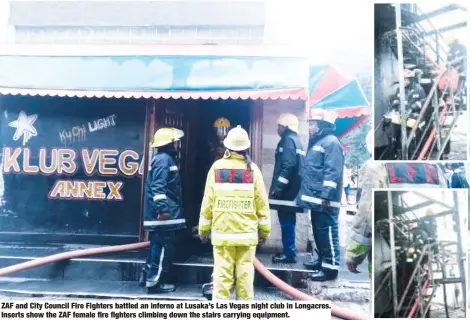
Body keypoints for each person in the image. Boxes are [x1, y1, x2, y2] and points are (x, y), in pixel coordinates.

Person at [346, 130, 449, 277]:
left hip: (385, 244)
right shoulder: (434, 168)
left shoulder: (375, 167)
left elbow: (366, 213)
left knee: (380, 285)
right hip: (410, 246)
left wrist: (354, 253)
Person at [198, 125, 271, 300]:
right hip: (246, 236)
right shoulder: (253, 170)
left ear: (227, 146)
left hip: (223, 235)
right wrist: (265, 231)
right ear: (246, 147)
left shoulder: (216, 168)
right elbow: (262, 203)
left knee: (222, 277)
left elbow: (207, 202)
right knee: (245, 277)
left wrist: (203, 230)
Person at [296, 109, 344, 281]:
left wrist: (326, 195)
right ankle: (323, 261)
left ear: (322, 125)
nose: (309, 127)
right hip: (317, 199)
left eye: (312, 124)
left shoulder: (331, 143)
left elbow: (333, 172)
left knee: (328, 232)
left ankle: (331, 268)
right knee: (319, 232)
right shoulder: (320, 142)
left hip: (326, 201)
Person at [139, 127, 186, 293]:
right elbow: (159, 187)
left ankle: (147, 276)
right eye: (175, 141)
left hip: (163, 214)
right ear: (169, 143)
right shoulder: (163, 160)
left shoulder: (163, 158)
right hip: (163, 215)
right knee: (163, 248)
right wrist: (162, 210)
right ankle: (155, 282)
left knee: (157, 246)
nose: (177, 144)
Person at [269, 113, 304, 264]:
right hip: (292, 190)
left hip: (287, 192)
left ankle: (289, 253)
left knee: (286, 222)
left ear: (286, 126)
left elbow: (288, 166)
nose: (278, 128)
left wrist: (278, 188)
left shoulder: (288, 141)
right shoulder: (295, 140)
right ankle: (289, 250)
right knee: (288, 221)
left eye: (279, 126)